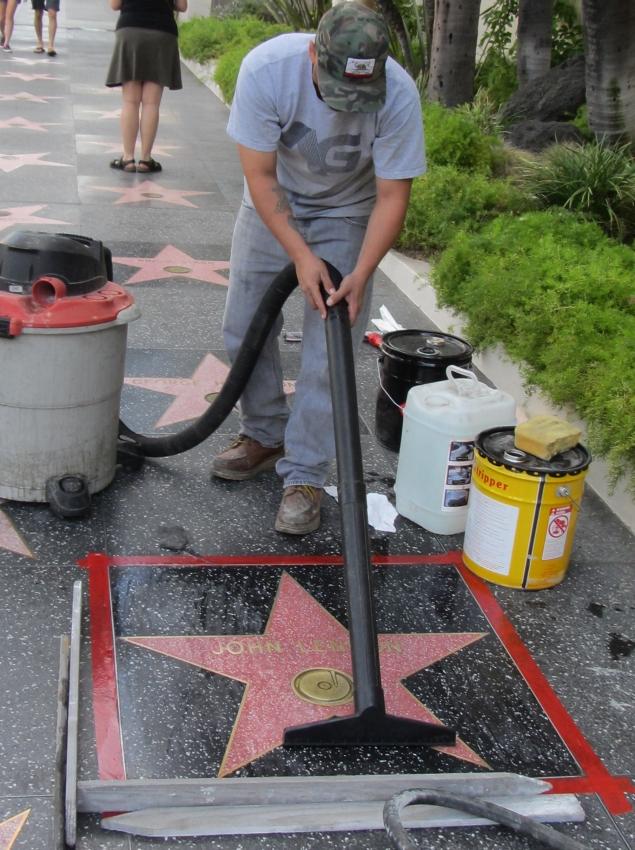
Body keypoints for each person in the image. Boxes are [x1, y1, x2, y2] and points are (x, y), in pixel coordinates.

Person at [211, 1, 425, 535]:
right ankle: (265, 433)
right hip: (273, 202)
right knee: (243, 327)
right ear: (313, 53)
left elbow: (393, 195)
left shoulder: (398, 94)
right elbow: (261, 177)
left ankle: (305, 472)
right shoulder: (267, 71)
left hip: (347, 213)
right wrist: (301, 256)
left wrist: (362, 273)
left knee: (330, 350)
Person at [105, 0, 187, 173]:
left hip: (131, 29)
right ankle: (145, 159)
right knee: (151, 103)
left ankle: (128, 158)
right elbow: (182, 6)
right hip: (162, 32)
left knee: (130, 101)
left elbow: (114, 4)